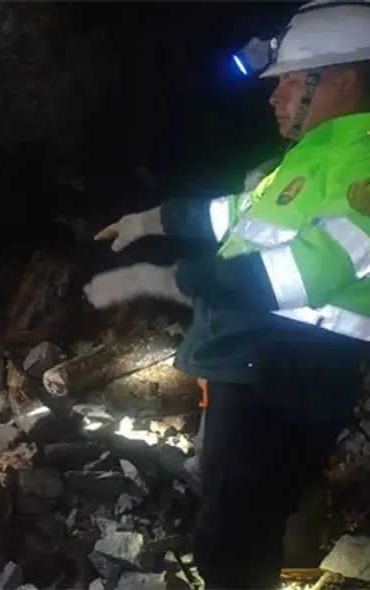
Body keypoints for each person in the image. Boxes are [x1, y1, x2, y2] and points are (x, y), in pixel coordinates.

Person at [84, 2, 370, 587]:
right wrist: (153, 219)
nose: (275, 96)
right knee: (248, 518)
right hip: (254, 359)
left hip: (287, 370)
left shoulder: (362, 162)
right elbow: (234, 213)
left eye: (292, 80)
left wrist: (173, 280)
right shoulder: (314, 155)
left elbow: (303, 273)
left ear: (345, 80)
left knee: (231, 538)